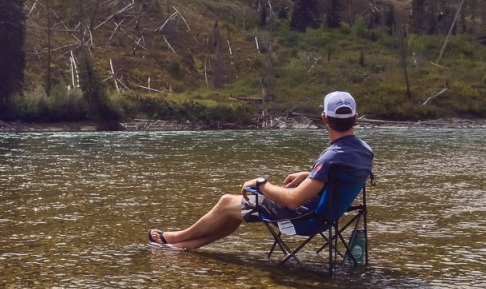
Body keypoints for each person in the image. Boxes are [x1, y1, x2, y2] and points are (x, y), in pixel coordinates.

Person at [147, 91, 374, 250]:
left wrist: (261, 184)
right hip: (328, 217)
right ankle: (182, 247)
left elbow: (294, 200)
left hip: (304, 218)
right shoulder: (364, 151)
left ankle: (174, 237)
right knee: (237, 209)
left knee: (228, 202)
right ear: (355, 118)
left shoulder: (331, 157)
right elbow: (339, 178)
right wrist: (309, 176)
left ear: (324, 118)